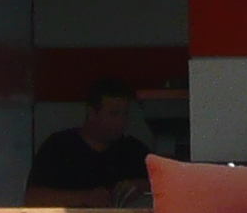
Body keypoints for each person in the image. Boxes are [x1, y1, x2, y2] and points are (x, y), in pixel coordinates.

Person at [22, 80, 153, 206]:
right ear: (91, 113)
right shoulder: (59, 147)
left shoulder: (134, 150)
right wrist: (86, 198)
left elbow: (164, 188)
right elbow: (32, 198)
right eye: (114, 114)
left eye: (125, 114)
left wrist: (138, 187)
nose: (121, 121)